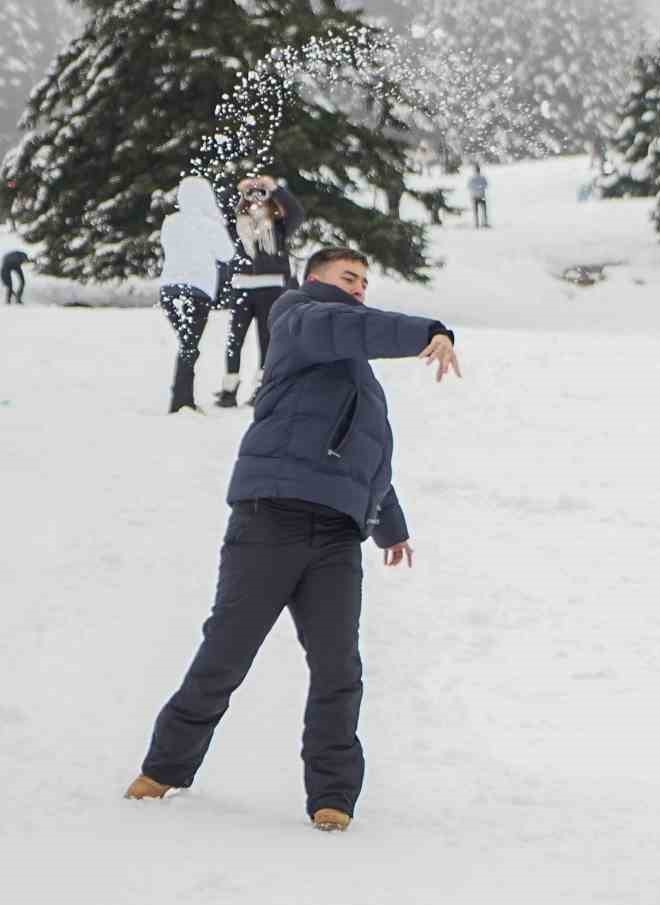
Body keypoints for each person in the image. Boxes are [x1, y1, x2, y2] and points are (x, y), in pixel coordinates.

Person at [123, 247, 465, 831]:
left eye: (364, 279)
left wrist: (390, 525)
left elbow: (368, 458)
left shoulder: (360, 375)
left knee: (339, 668)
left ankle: (332, 798)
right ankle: (163, 769)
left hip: (336, 536)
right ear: (316, 279)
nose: (358, 287)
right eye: (348, 277)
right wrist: (427, 331)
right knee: (227, 653)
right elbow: (342, 323)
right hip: (270, 517)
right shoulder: (298, 314)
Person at [220, 174, 305, 408]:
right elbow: (221, 209)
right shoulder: (236, 226)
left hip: (271, 286)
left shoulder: (279, 227)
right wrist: (238, 190)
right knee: (234, 339)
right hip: (242, 286)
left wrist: (274, 189)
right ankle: (229, 389)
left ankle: (263, 388)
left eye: (261, 196)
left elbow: (296, 212)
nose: (256, 200)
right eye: (251, 197)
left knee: (267, 340)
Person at [159, 177, 239, 413]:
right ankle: (182, 402)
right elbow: (227, 255)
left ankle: (183, 398)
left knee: (187, 344)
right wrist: (219, 223)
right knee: (189, 346)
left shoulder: (170, 222)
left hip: (170, 290)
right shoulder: (210, 225)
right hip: (198, 292)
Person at [468, 164, 489, 229]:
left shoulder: (472, 178)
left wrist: (475, 189)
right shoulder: (482, 177)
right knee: (484, 210)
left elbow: (469, 186)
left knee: (476, 211)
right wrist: (480, 187)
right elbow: (486, 185)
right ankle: (484, 223)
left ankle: (477, 223)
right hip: (481, 196)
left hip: (475, 196)